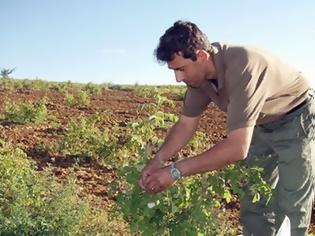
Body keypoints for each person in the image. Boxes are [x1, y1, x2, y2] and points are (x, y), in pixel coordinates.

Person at [138, 20, 315, 236]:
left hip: (296, 117)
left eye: (181, 69)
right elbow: (186, 124)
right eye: (174, 71)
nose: (178, 78)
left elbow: (237, 148)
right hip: (260, 123)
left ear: (202, 56)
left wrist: (175, 171)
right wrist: (158, 160)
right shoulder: (198, 80)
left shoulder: (242, 65)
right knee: (255, 199)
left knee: (291, 204)